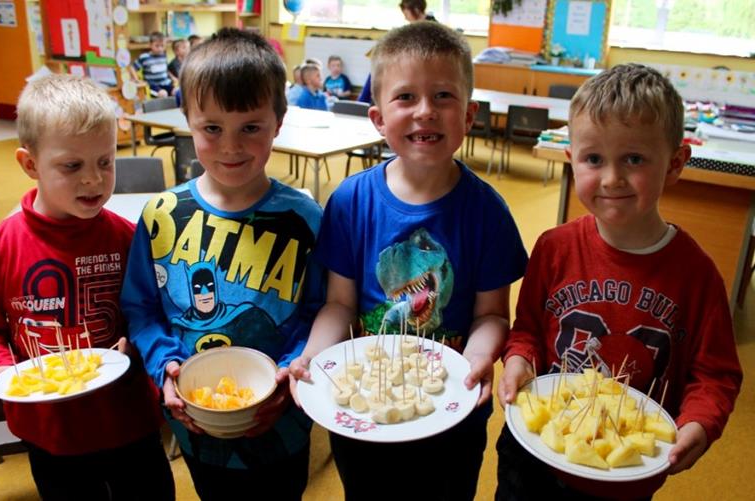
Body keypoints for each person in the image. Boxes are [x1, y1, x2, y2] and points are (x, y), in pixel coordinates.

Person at [289, 21, 528, 500]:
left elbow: (492, 313)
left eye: (443, 96)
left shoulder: (486, 212)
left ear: (468, 114)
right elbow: (339, 303)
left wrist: (479, 358)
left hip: (451, 411)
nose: (425, 112)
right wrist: (313, 355)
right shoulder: (352, 200)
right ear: (378, 118)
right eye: (406, 98)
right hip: (366, 414)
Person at [497, 63, 743, 500]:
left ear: (675, 163)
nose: (611, 179)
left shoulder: (697, 274)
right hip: (533, 454)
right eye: (594, 159)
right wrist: (518, 360)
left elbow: (715, 375)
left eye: (634, 159)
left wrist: (700, 423)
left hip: (625, 475)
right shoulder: (554, 248)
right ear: (572, 161)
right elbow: (528, 331)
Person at [121, 28, 324, 501]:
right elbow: (141, 310)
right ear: (188, 121)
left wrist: (292, 369)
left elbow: (322, 309)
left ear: (279, 121)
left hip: (283, 424)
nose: (231, 146)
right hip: (196, 428)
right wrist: (164, 368)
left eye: (250, 127)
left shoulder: (306, 221)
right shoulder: (161, 217)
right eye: (211, 128)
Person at [0, 74, 174, 501]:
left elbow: (153, 310)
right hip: (50, 430)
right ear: (29, 165)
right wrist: (2, 366)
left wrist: (137, 344)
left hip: (128, 419)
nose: (94, 181)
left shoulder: (128, 238)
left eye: (105, 162)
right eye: (72, 166)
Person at [129, 31, 174, 97]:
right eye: (157, 46)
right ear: (150, 45)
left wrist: (173, 77)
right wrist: (137, 80)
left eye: (162, 46)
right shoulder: (145, 57)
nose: (160, 49)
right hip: (152, 85)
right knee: (163, 94)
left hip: (166, 83)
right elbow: (132, 67)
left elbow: (166, 70)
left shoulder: (164, 56)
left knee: (177, 92)